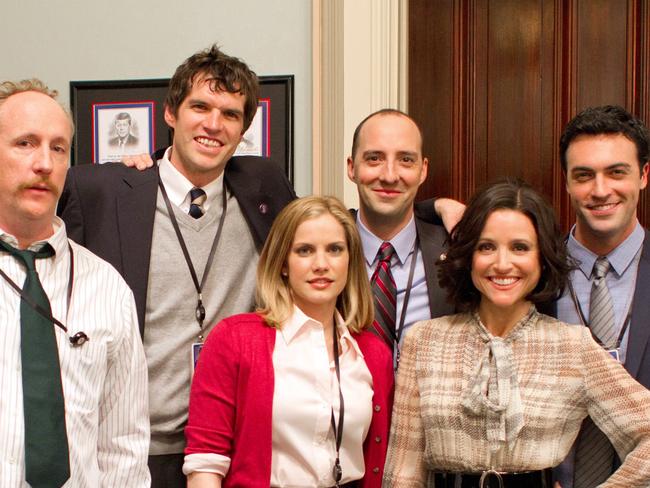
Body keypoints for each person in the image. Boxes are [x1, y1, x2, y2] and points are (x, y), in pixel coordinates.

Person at [57, 45, 296, 487]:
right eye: (200, 107)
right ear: (171, 113)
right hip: (129, 450)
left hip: (231, 448)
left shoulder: (264, 185)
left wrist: (437, 211)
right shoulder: (103, 191)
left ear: (244, 128)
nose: (213, 124)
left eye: (230, 114)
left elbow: (332, 232)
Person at [383, 179, 650, 487]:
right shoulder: (425, 341)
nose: (502, 263)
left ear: (541, 258)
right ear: (469, 256)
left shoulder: (572, 346)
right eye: (487, 247)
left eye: (520, 248)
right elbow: (402, 472)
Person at [183, 196, 394, 488]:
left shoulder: (372, 353)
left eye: (335, 249)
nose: (321, 264)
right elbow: (205, 463)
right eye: (305, 251)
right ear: (283, 263)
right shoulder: (235, 340)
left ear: (350, 260)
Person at [0, 79, 149, 486]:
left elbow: (124, 447)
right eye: (25, 143)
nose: (44, 163)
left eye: (58, 147)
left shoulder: (108, 288)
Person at [545, 105, 650, 488]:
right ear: (568, 182)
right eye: (584, 176)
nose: (601, 190)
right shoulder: (530, 275)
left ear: (643, 176)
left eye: (616, 172)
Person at [347, 109, 456, 359]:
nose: (389, 176)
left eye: (406, 160)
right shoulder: (323, 248)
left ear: (423, 170)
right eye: (374, 158)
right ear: (352, 168)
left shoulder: (455, 251)